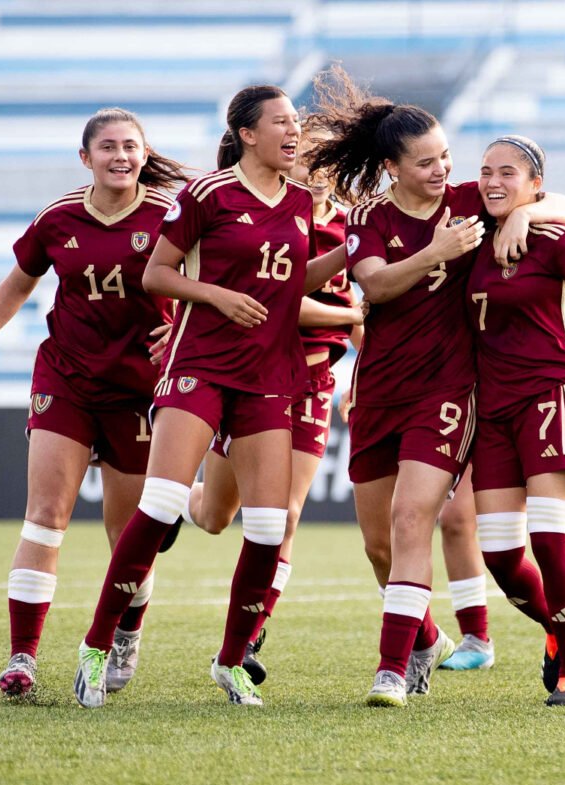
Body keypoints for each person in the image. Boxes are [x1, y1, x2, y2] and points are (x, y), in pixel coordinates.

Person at [306, 67, 565, 707]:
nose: (443, 172)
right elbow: (373, 286)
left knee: (412, 520)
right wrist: (436, 252)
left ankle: (391, 668)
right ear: (392, 167)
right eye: (427, 162)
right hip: (377, 392)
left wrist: (527, 216)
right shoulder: (369, 218)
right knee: (380, 546)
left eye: (446, 159)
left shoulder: (470, 201)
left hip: (449, 393)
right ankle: (433, 636)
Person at [73, 84, 348, 709]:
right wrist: (219, 296)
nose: (294, 132)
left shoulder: (302, 201)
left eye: (296, 123)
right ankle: (95, 646)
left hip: (268, 375)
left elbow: (289, 280)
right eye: (281, 122)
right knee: (164, 500)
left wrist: (345, 257)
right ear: (248, 134)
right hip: (199, 365)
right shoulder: (207, 194)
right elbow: (157, 274)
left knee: (271, 526)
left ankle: (231, 662)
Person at [0, 107, 187, 698]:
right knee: (45, 516)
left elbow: (207, 284)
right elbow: (19, 282)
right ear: (86, 158)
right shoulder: (58, 218)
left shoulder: (168, 216)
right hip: (67, 379)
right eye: (108, 147)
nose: (121, 156)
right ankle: (22, 658)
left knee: (128, 534)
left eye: (131, 146)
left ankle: (126, 630)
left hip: (140, 390)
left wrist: (182, 323)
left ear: (143, 152)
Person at [183, 128, 364, 685]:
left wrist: (362, 370)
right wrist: (353, 319)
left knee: (285, 515)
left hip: (310, 381)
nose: (315, 166)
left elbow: (361, 296)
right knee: (215, 516)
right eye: (307, 155)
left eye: (325, 158)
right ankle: (171, 500)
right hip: (248, 375)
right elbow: (283, 303)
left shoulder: (352, 221)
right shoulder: (273, 213)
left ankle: (251, 631)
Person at [467, 135, 565, 706]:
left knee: (553, 539)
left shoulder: (556, 237)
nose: (493, 180)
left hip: (551, 398)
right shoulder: (469, 239)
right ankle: (563, 628)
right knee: (502, 557)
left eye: (508, 172)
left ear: (535, 186)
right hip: (493, 409)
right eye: (485, 171)